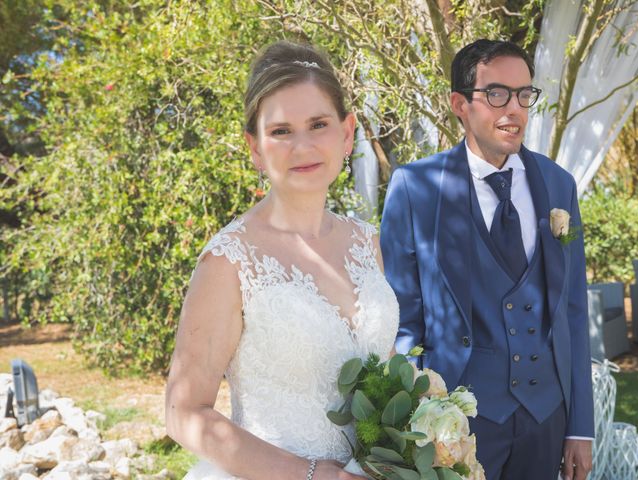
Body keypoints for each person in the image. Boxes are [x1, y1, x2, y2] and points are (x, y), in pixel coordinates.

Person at [165, 40, 399, 480]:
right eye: (281, 131)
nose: (303, 146)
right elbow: (183, 411)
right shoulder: (230, 260)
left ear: (347, 133)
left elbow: (383, 378)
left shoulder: (368, 243)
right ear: (255, 148)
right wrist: (312, 475)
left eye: (318, 124)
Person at [380, 39, 594, 480]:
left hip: (545, 417)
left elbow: (573, 311)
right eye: (496, 94)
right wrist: (410, 421)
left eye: (524, 95)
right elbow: (401, 320)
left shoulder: (558, 185)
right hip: (456, 423)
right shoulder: (414, 188)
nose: (513, 109)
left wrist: (581, 428)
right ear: (460, 103)